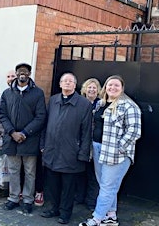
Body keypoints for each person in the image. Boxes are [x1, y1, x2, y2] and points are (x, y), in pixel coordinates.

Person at [79, 75, 141, 226]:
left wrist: (120, 148)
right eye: (109, 85)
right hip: (98, 149)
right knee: (106, 185)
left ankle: (97, 219)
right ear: (105, 87)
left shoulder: (129, 106)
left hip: (117, 155)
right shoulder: (101, 104)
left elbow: (134, 131)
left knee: (107, 186)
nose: (112, 88)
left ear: (122, 88)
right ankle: (111, 216)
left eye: (116, 85)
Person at [41, 73, 92, 224]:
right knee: (52, 185)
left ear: (75, 85)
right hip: (51, 150)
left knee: (68, 187)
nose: (67, 83)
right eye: (64, 81)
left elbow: (86, 131)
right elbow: (45, 125)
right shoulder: (53, 100)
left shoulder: (84, 104)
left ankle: (65, 213)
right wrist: (43, 145)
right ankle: (53, 208)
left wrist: (82, 154)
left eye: (70, 81)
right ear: (60, 84)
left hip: (71, 152)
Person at [0, 63, 46, 214]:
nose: (22, 74)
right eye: (19, 71)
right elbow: (3, 115)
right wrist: (12, 132)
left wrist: (25, 132)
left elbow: (40, 117)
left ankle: (27, 199)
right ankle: (13, 198)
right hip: (11, 139)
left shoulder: (38, 93)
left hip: (29, 139)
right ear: (16, 73)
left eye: (25, 72)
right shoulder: (7, 93)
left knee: (30, 172)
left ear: (29, 74)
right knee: (13, 171)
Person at [75, 78, 101, 210]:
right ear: (84, 89)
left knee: (93, 174)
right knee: (80, 171)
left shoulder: (101, 105)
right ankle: (79, 197)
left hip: (95, 143)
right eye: (89, 87)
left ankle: (91, 201)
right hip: (80, 142)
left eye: (94, 88)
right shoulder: (79, 103)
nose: (91, 90)